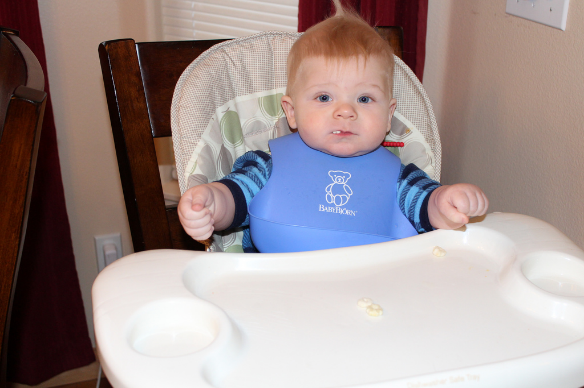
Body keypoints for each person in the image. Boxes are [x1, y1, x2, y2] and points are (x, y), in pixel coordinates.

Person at [178, 1, 488, 253]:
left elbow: (427, 208)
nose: (345, 111)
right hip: (276, 292)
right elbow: (234, 198)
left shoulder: (400, 179)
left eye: (364, 98)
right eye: (324, 97)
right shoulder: (266, 167)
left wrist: (447, 202)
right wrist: (208, 203)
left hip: (370, 294)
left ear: (388, 114)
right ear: (292, 112)